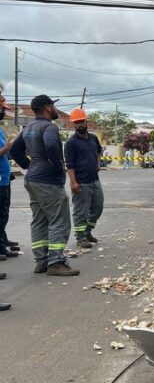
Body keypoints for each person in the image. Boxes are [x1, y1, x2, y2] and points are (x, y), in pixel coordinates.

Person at [9, 95, 79, 276]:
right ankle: (56, 262)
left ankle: (41, 262)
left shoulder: (28, 128)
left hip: (32, 180)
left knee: (39, 220)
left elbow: (15, 150)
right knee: (59, 221)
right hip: (48, 182)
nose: (55, 110)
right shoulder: (49, 127)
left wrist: (28, 165)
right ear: (47, 108)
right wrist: (56, 167)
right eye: (53, 107)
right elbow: (52, 147)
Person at [64, 108, 103, 249]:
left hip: (95, 180)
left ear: (87, 121)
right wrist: (73, 182)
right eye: (76, 123)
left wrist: (98, 162)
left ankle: (87, 232)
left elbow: (99, 150)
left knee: (98, 208)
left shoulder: (93, 138)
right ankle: (80, 238)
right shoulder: (71, 143)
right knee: (80, 212)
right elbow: (70, 165)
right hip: (81, 183)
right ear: (73, 125)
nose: (80, 124)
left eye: (82, 121)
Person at [0, 93, 20, 262]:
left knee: (4, 212)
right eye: (2, 108)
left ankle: (2, 242)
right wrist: (7, 147)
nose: (3, 112)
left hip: (4, 179)